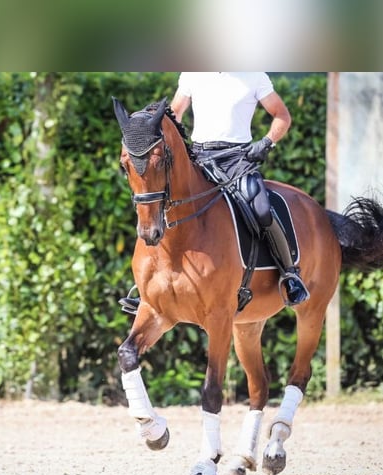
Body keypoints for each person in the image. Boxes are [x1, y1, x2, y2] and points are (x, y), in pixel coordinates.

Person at [119, 72, 309, 314]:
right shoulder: (192, 74)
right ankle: (147, 288)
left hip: (238, 160)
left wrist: (266, 143)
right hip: (199, 159)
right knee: (164, 204)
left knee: (261, 208)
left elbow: (282, 116)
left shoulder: (254, 76)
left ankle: (289, 274)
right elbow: (175, 114)